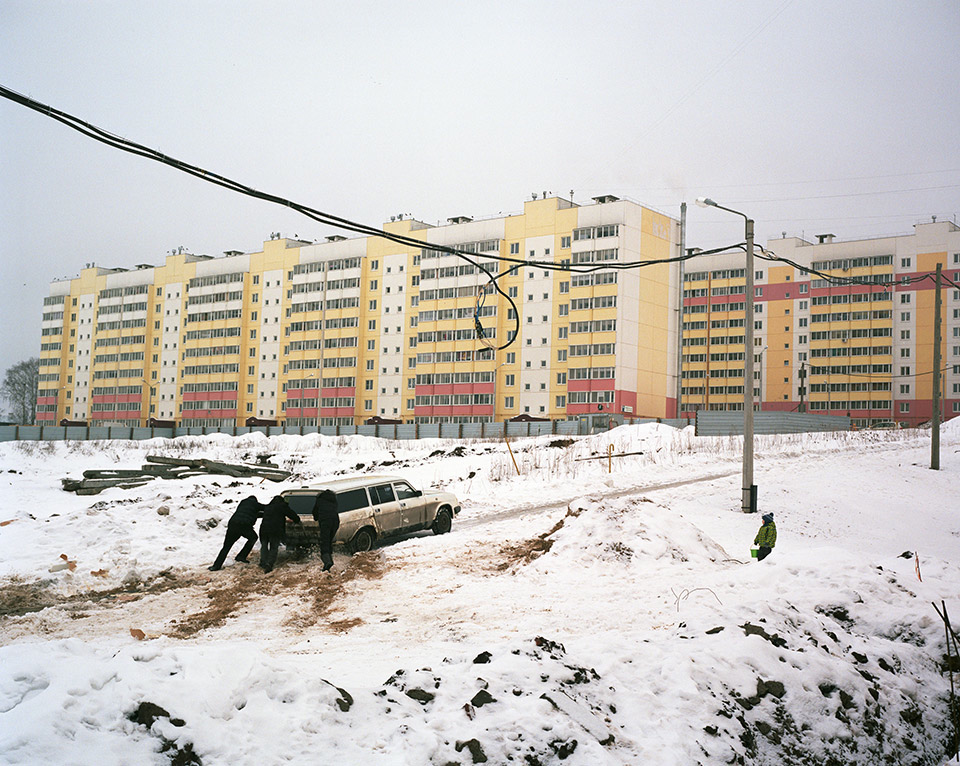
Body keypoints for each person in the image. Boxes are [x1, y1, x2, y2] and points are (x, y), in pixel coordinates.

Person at [209, 495, 263, 571]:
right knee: (253, 538)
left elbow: (250, 513)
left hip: (233, 524)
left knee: (226, 546)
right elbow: (266, 508)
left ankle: (216, 565)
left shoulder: (243, 503)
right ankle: (241, 556)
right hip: (244, 525)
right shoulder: (255, 504)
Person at [259, 495, 301, 572]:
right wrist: (297, 520)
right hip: (275, 530)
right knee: (273, 547)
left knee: (264, 545)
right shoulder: (282, 506)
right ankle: (269, 564)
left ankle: (263, 562)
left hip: (264, 529)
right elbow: (292, 514)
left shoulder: (268, 506)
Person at [312, 489, 340, 572]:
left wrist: (316, 518)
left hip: (325, 522)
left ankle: (327, 563)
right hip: (335, 521)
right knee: (329, 542)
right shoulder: (333, 500)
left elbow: (314, 512)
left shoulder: (320, 500)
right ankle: (329, 561)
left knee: (324, 543)